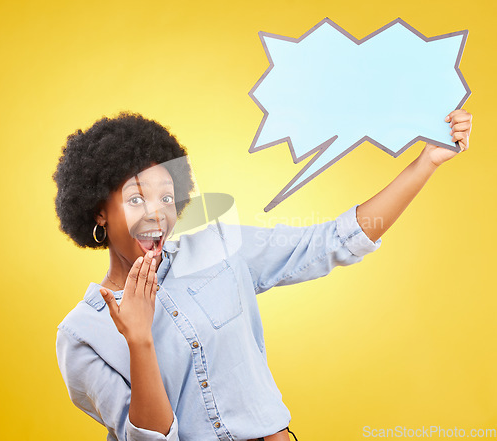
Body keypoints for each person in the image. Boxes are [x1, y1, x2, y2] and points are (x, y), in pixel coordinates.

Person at [54, 109, 472, 441]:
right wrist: (140, 338)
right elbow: (151, 439)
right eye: (135, 197)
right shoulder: (81, 335)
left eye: (167, 196)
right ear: (98, 210)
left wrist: (427, 163)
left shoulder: (220, 248)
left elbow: (332, 241)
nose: (156, 211)